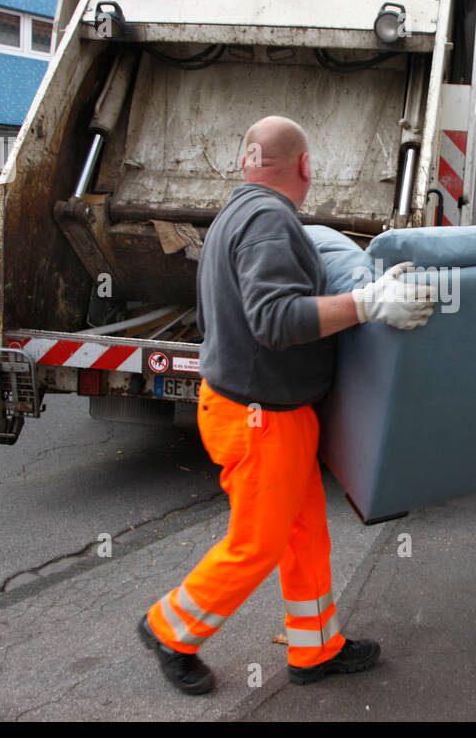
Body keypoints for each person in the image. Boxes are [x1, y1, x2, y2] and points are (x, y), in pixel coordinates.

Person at [138, 115, 435, 694]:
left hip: (265, 412)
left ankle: (315, 646)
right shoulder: (271, 221)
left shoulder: (235, 213)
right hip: (259, 419)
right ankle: (170, 630)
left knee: (304, 534)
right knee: (259, 543)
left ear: (247, 161)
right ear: (304, 166)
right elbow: (274, 320)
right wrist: (366, 303)